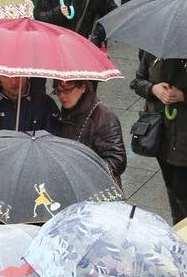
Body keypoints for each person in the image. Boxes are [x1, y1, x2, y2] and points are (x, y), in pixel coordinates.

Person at [132, 52, 187, 224]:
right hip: (160, 135)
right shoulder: (152, 50)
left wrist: (182, 96)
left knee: (181, 191)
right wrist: (153, 89)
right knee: (171, 187)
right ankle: (179, 231)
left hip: (183, 141)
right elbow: (137, 81)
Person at [51, 80, 127, 184]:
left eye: (67, 91)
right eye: (58, 91)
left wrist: (81, 168)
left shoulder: (104, 116)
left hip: (97, 188)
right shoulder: (67, 112)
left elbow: (117, 162)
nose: (62, 96)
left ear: (83, 87)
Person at [0, 74, 59, 145]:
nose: (14, 82)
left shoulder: (45, 104)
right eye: (7, 76)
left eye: (18, 74)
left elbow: (53, 145)